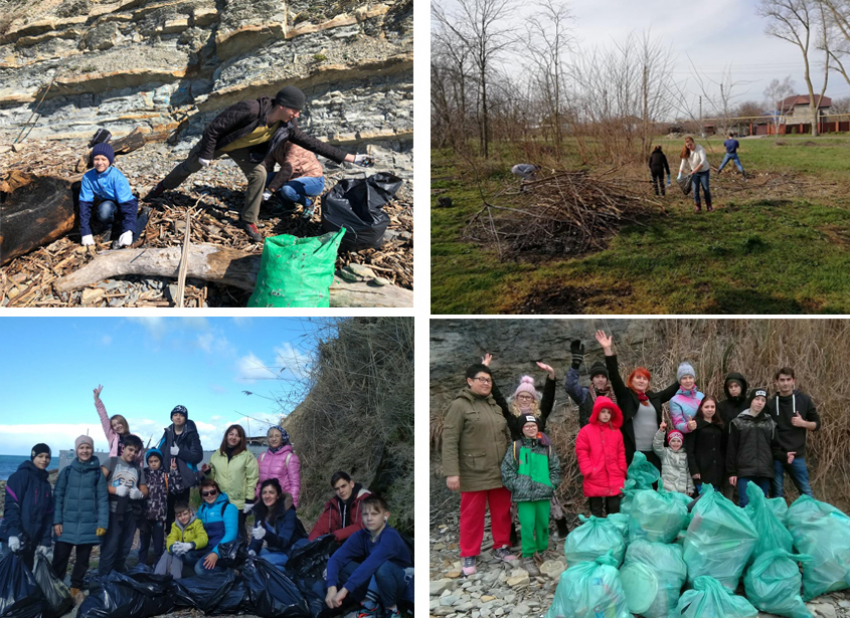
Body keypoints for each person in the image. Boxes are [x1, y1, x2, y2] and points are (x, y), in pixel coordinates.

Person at [144, 86, 375, 241]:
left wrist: (352, 158)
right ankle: (162, 187)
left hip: (244, 151)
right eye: (294, 110)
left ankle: (249, 220)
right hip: (219, 144)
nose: (296, 115)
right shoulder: (250, 109)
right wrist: (206, 153)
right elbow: (214, 128)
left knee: (259, 175)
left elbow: (314, 144)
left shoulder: (286, 127)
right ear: (283, 105)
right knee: (189, 167)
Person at [441, 362, 514, 577]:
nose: (486, 383)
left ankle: (502, 546)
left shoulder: (494, 405)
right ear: (469, 381)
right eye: (481, 379)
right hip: (473, 471)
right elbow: (450, 440)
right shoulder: (459, 406)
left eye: (489, 380)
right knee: (472, 515)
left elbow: (505, 436)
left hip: (500, 470)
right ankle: (469, 554)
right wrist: (452, 472)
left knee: (502, 513)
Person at [595, 330, 679, 470]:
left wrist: (684, 377)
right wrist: (607, 350)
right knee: (638, 490)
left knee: (655, 489)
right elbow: (614, 376)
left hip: (655, 453)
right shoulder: (626, 396)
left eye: (645, 378)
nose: (641, 381)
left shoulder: (653, 397)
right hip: (634, 453)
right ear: (631, 381)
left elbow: (671, 391)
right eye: (638, 378)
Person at [325, 496, 413, 618]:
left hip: (401, 584)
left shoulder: (390, 536)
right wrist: (331, 587)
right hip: (377, 584)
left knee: (381, 567)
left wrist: (345, 590)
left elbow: (372, 562)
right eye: (365, 514)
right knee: (343, 566)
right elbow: (336, 558)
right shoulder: (362, 535)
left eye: (374, 514)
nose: (369, 518)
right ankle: (371, 606)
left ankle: (391, 610)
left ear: (385, 515)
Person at [500, 415, 561, 576]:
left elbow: (555, 469)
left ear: (538, 427)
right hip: (523, 496)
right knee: (527, 526)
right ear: (521, 429)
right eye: (526, 426)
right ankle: (528, 556)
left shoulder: (546, 447)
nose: (530, 428)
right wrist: (517, 486)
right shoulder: (516, 447)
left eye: (533, 425)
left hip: (543, 494)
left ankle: (542, 550)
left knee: (543, 524)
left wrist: (550, 484)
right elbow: (506, 471)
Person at [53, 436, 108, 605]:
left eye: (88, 447)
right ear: (76, 450)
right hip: (66, 524)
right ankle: (55, 587)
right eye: (82, 447)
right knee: (60, 558)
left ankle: (75, 588)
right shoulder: (67, 471)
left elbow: (102, 499)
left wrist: (102, 524)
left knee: (83, 560)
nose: (85, 451)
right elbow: (58, 497)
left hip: (89, 524)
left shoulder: (98, 473)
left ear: (92, 449)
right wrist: (57, 521)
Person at [727, 388, 791, 508]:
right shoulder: (738, 422)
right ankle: (745, 527)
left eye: (763, 400)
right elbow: (731, 449)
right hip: (744, 472)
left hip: (764, 472)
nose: (759, 402)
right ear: (751, 401)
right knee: (745, 504)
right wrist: (732, 472)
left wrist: (785, 456)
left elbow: (775, 448)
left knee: (761, 506)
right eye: (757, 399)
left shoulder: (770, 423)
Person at [78, 143, 149, 248]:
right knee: (104, 208)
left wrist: (128, 230)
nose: (99, 162)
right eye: (96, 159)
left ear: (110, 161)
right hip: (109, 206)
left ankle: (144, 215)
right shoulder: (88, 178)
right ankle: (108, 229)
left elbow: (127, 205)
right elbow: (85, 205)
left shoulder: (117, 177)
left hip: (126, 204)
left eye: (103, 159)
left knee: (129, 239)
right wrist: (85, 232)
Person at [766, 367, 819, 499]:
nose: (785, 383)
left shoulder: (804, 400)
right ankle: (778, 519)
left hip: (797, 455)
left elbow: (817, 424)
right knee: (777, 493)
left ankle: (811, 518)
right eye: (782, 380)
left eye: (788, 380)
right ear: (776, 382)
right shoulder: (770, 404)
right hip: (777, 455)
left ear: (793, 381)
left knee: (805, 491)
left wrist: (803, 423)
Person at [99, 434, 148, 574]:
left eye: (136, 451)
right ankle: (103, 579)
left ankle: (118, 577)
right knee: (110, 547)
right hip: (112, 512)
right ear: (123, 448)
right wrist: (114, 490)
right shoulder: (111, 462)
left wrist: (139, 494)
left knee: (125, 547)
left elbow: (145, 490)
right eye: (130, 449)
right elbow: (97, 483)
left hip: (130, 513)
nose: (132, 453)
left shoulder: (138, 469)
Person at [200, 424, 259, 541]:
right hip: (220, 501)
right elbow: (213, 478)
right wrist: (208, 471)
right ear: (226, 436)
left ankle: (241, 556)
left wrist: (249, 499)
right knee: (222, 530)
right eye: (231, 434)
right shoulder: (217, 455)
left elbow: (252, 478)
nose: (233, 437)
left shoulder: (247, 456)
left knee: (238, 531)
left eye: (237, 435)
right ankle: (224, 555)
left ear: (242, 439)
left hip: (239, 502)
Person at [0, 444, 54, 570]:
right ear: (33, 457)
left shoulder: (45, 484)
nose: (44, 460)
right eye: (40, 456)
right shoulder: (20, 477)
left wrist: (45, 542)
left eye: (47, 457)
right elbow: (11, 506)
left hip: (32, 540)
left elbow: (48, 515)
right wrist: (14, 534)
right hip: (14, 537)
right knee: (10, 576)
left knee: (26, 575)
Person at [575, 397, 627, 519]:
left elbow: (621, 452)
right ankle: (597, 534)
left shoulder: (616, 431)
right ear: (597, 412)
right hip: (595, 475)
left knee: (614, 509)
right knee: (596, 510)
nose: (606, 415)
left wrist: (622, 469)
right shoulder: (586, 431)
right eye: (603, 411)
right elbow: (582, 452)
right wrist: (588, 470)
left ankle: (612, 534)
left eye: (609, 412)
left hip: (614, 475)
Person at [485, 354, 556, 440]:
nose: (524, 399)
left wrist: (551, 373)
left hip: (538, 452)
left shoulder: (540, 413)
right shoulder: (510, 412)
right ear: (516, 397)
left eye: (528, 397)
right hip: (517, 451)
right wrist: (486, 372)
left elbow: (549, 395)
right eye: (521, 396)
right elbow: (497, 395)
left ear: (533, 399)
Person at [156, 405, 203, 529]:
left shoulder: (191, 434)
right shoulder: (168, 432)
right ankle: (170, 538)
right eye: (175, 415)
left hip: (184, 478)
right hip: (168, 476)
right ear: (171, 417)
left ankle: (184, 536)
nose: (178, 417)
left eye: (181, 415)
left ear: (185, 418)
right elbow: (159, 453)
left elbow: (198, 456)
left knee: (182, 510)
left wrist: (180, 452)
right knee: (168, 509)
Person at [248, 479, 309, 568]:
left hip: (290, 552)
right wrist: (252, 550)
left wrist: (266, 534)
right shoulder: (261, 511)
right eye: (264, 493)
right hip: (274, 550)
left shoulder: (288, 513)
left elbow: (284, 542)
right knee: (246, 556)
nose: (267, 496)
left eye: (271, 492)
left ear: (278, 496)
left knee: (261, 563)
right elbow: (257, 538)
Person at [183, 479, 239, 576]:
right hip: (209, 546)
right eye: (205, 493)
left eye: (212, 492)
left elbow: (231, 534)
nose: (209, 495)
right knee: (188, 556)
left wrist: (216, 553)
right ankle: (210, 576)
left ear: (217, 491)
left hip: (226, 550)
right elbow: (196, 529)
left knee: (200, 568)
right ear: (202, 496)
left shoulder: (228, 507)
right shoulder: (202, 509)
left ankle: (232, 574)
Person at [263, 141, 326, 219]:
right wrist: (261, 189)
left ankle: (308, 204)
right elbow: (267, 167)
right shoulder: (274, 144)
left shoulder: (294, 143)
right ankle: (288, 205)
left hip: (314, 180)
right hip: (292, 178)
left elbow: (287, 169)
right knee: (266, 178)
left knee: (287, 190)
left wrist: (270, 190)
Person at [564, 339, 617, 429]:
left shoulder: (613, 396)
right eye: (597, 377)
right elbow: (570, 387)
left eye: (603, 377)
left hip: (609, 436)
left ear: (607, 380)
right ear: (592, 379)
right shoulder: (585, 394)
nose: (600, 380)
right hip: (589, 438)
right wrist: (575, 364)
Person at [308, 471, 372, 543]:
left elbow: (363, 525)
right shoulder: (334, 505)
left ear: (351, 484)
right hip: (343, 547)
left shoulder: (366, 500)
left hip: (365, 544)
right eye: (337, 489)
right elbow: (319, 527)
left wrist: (336, 535)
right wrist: (310, 545)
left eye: (343, 486)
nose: (341, 491)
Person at [684, 396, 727, 494]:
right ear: (701, 408)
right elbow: (690, 450)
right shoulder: (695, 425)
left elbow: (723, 448)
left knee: (715, 502)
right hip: (702, 471)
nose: (710, 409)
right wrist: (694, 470)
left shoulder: (720, 426)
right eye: (706, 407)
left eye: (712, 407)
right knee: (704, 502)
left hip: (717, 471)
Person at [155, 501, 208, 579]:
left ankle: (176, 579)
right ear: (176, 516)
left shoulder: (197, 523)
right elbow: (171, 538)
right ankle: (158, 577)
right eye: (179, 516)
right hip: (181, 552)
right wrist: (172, 547)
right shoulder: (175, 525)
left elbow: (203, 538)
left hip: (193, 552)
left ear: (190, 513)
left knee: (178, 554)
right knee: (169, 552)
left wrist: (190, 545)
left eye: (185, 514)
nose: (183, 518)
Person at [93, 384, 144, 465]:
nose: (117, 426)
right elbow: (104, 418)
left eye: (119, 423)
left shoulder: (134, 438)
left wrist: (139, 445)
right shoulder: (112, 437)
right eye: (114, 425)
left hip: (130, 470)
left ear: (123, 423)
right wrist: (97, 399)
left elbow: (140, 460)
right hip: (115, 468)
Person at [256, 426, 301, 508]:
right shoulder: (262, 456)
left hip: (281, 503)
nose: (273, 439)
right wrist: (256, 498)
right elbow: (257, 481)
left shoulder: (290, 457)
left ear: (283, 438)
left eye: (277, 436)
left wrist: (292, 506)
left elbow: (295, 485)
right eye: (271, 436)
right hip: (263, 502)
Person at [138, 449, 168, 566]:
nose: (153, 463)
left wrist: (174, 471)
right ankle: (141, 566)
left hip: (159, 516)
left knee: (158, 545)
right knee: (144, 544)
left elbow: (177, 488)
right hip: (145, 516)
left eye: (156, 461)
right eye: (150, 461)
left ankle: (158, 569)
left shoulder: (165, 475)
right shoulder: (143, 474)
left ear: (160, 461)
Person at [653, 423, 694, 496]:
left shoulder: (684, 455)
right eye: (673, 441)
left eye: (678, 441)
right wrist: (661, 432)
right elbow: (657, 446)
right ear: (669, 442)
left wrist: (690, 487)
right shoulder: (665, 453)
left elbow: (688, 472)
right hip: (666, 491)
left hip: (681, 492)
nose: (676, 443)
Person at [677, 135, 713, 212]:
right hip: (694, 173)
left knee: (706, 189)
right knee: (695, 189)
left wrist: (695, 170)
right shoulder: (686, 151)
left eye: (691, 144)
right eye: (687, 145)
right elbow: (683, 163)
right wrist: (680, 173)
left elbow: (703, 161)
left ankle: (709, 206)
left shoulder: (700, 149)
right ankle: (698, 206)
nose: (689, 147)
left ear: (693, 142)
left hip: (704, 172)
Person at [669, 362, 704, 435]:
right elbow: (677, 424)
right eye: (684, 378)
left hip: (705, 435)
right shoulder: (675, 400)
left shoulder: (701, 395)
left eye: (690, 377)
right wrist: (688, 426)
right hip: (689, 438)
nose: (688, 381)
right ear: (680, 381)